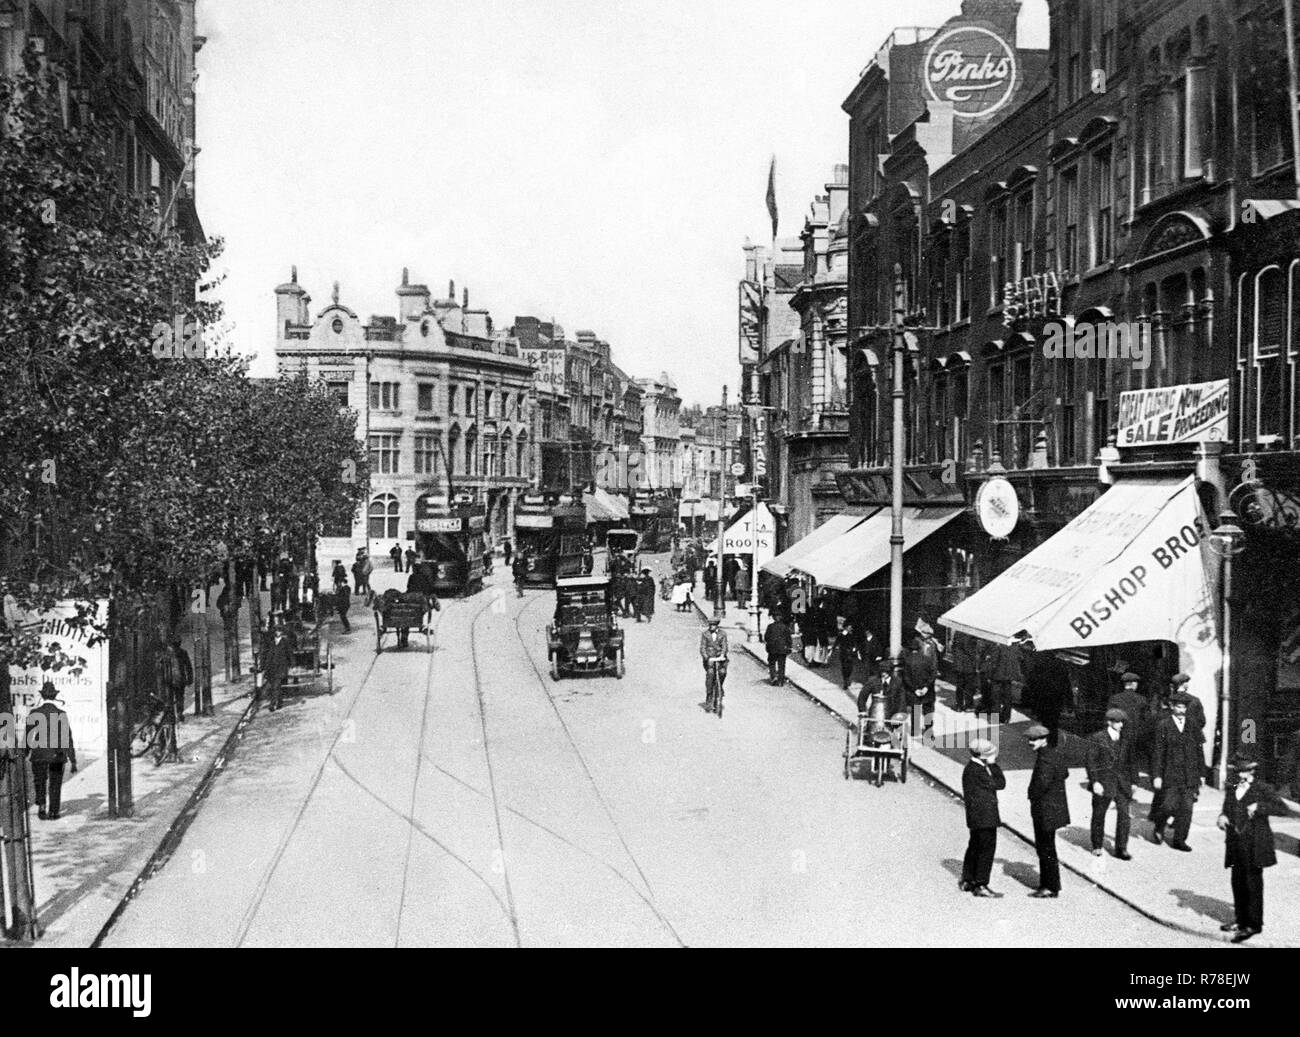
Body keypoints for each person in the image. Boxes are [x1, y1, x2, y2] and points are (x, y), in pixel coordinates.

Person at [1217, 755, 1285, 942]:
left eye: (1244, 771)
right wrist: (1222, 816)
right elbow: (1226, 808)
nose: (1240, 775)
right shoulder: (1232, 788)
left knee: (1252, 884)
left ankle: (1253, 925)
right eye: (1237, 771)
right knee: (1237, 882)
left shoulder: (1262, 788)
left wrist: (1259, 806)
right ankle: (1240, 920)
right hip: (1235, 843)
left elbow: (1282, 808)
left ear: (1252, 771)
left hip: (1255, 844)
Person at [1150, 690, 1204, 852]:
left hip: (1189, 774)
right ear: (1172, 707)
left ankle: (1179, 840)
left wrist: (1202, 773)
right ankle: (1159, 826)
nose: (1181, 710)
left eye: (1184, 707)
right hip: (1170, 774)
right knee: (1168, 806)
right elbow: (1158, 753)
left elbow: (1199, 751)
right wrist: (1157, 775)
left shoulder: (1192, 725)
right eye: (1178, 707)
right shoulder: (1163, 726)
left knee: (1186, 809)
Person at [1026, 723, 1070, 898]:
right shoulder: (1054, 754)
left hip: (1045, 810)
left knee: (1045, 848)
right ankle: (1049, 883)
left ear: (1043, 740)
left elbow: (1041, 784)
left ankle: (1050, 886)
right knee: (1047, 847)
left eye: (1034, 739)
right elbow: (1065, 773)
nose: (1030, 742)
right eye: (1029, 739)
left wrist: (1032, 795)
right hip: (1054, 808)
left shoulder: (1044, 759)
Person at [1086, 708, 1135, 860]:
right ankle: (1097, 845)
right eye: (1118, 722)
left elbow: (1132, 761)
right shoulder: (1098, 738)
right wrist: (1095, 782)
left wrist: (1134, 781)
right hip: (1104, 782)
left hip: (1122, 783)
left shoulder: (1126, 739)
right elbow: (1091, 761)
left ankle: (1121, 848)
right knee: (1099, 814)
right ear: (1109, 722)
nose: (1121, 725)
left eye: (1122, 722)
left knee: (1124, 815)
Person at [24, 681, 77, 820]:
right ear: (54, 697)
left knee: (39, 780)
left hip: (39, 753)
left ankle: (41, 807)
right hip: (56, 753)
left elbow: (28, 736)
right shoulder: (61, 713)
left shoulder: (34, 713)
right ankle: (54, 811)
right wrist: (73, 759)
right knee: (55, 782)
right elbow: (67, 738)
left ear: (42, 696)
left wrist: (24, 753)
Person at [960, 739, 1005, 898]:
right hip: (986, 817)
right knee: (986, 849)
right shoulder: (980, 771)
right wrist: (993, 765)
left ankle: (968, 879)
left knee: (974, 846)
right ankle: (981, 884)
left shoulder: (970, 768)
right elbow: (1000, 783)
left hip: (975, 817)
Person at [1023, 642, 1072, 746]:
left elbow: (1031, 681)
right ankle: (1052, 742)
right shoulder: (1061, 665)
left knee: (1045, 721)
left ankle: (1046, 742)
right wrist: (1069, 702)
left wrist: (1032, 697)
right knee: (1054, 722)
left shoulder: (1039, 664)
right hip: (1056, 699)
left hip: (1043, 698)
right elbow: (1066, 685)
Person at [1108, 672, 1150, 771]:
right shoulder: (1142, 699)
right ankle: (1134, 781)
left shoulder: (1115, 699)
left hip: (1119, 733)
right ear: (1134, 684)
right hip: (1136, 734)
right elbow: (1147, 719)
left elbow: (1109, 718)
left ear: (1125, 684)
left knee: (1119, 758)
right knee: (1134, 759)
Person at [901, 635, 937, 737]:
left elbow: (906, 678)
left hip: (914, 691)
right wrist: (926, 687)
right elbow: (933, 673)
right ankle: (929, 731)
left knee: (915, 710)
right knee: (928, 710)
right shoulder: (927, 659)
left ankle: (915, 730)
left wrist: (915, 689)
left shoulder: (908, 661)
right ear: (920, 648)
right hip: (927, 690)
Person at [158, 634, 194, 724]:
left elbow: (160, 667)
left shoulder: (166, 654)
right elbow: (188, 667)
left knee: (169, 699)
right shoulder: (183, 652)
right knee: (180, 698)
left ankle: (171, 717)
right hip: (180, 680)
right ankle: (179, 714)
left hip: (169, 680)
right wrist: (190, 679)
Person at [984, 640, 1022, 724]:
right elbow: (1019, 659)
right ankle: (1006, 718)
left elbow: (993, 662)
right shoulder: (1015, 647)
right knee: (1007, 697)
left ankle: (995, 719)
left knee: (995, 697)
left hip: (998, 675)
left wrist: (989, 675)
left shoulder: (999, 646)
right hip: (1009, 676)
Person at [262, 616, 292, 713]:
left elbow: (289, 653)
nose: (278, 633)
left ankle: (272, 704)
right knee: (274, 685)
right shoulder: (270, 642)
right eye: (276, 631)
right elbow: (265, 654)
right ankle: (279, 701)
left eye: (280, 631)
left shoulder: (285, 642)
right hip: (270, 667)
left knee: (276, 685)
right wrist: (263, 666)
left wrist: (292, 664)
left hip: (281, 667)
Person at [949, 632, 984, 713]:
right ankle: (968, 705)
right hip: (968, 665)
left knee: (960, 686)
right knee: (969, 686)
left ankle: (959, 705)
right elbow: (969, 650)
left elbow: (953, 647)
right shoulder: (970, 635)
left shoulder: (957, 634)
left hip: (959, 665)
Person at [699, 616, 729, 711]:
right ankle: (709, 694)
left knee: (722, 672)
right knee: (711, 674)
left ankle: (720, 689)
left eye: (713, 625)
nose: (711, 627)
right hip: (710, 659)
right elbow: (702, 647)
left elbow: (725, 646)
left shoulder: (722, 634)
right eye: (710, 625)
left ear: (717, 626)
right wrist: (707, 657)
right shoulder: (705, 634)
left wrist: (723, 655)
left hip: (720, 658)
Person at [764, 612, 792, 686]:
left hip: (772, 648)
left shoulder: (770, 626)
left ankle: (773, 677)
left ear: (773, 618)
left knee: (772, 663)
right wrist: (789, 647)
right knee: (781, 665)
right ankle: (780, 681)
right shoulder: (785, 627)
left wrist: (770, 643)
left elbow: (766, 637)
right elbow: (789, 639)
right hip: (782, 649)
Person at [837, 615, 863, 692]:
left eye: (851, 627)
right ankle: (846, 680)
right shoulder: (842, 634)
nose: (850, 628)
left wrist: (856, 649)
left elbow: (855, 642)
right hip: (844, 653)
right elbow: (838, 641)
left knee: (850, 667)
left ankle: (847, 678)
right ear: (846, 627)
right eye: (849, 627)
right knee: (844, 667)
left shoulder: (852, 634)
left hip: (851, 653)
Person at [333, 567, 352, 633]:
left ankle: (347, 628)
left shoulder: (345, 588)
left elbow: (342, 597)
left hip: (344, 604)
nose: (338, 584)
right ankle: (347, 628)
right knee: (342, 616)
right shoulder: (347, 588)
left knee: (343, 616)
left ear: (342, 582)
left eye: (339, 583)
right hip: (345, 604)